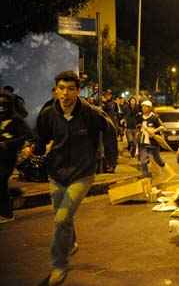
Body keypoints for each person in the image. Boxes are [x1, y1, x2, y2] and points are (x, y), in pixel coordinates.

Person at [32, 71, 117, 285]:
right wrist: (36, 149)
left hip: (82, 173)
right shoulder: (48, 114)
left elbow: (110, 130)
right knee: (64, 217)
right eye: (61, 88)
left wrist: (110, 160)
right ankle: (70, 243)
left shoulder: (90, 113)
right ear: (56, 90)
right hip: (56, 174)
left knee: (61, 219)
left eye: (70, 89)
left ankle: (59, 265)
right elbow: (41, 136)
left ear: (78, 91)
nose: (65, 93)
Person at [0, 91, 32, 223]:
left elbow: (27, 136)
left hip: (8, 157)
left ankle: (7, 213)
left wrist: (7, 144)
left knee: (1, 182)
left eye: (4, 104)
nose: (1, 107)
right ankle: (15, 194)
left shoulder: (16, 120)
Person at [137, 100, 174, 181]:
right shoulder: (140, 117)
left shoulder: (154, 117)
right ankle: (146, 177)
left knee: (158, 159)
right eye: (142, 106)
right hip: (143, 142)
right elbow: (138, 126)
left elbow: (162, 127)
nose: (143, 108)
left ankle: (170, 173)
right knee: (143, 161)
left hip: (153, 142)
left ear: (149, 108)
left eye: (145, 107)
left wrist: (154, 130)